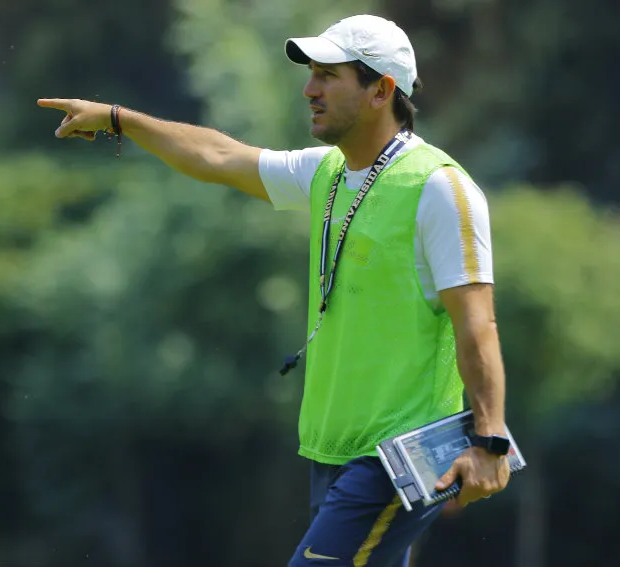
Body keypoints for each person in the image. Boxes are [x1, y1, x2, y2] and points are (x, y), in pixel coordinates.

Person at [38, 13, 510, 567]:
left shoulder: (439, 188)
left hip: (395, 456)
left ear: (382, 89)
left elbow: (477, 323)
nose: (310, 90)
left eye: (328, 77)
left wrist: (489, 442)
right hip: (331, 450)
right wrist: (119, 119)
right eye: (311, 74)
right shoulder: (328, 173)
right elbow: (217, 156)